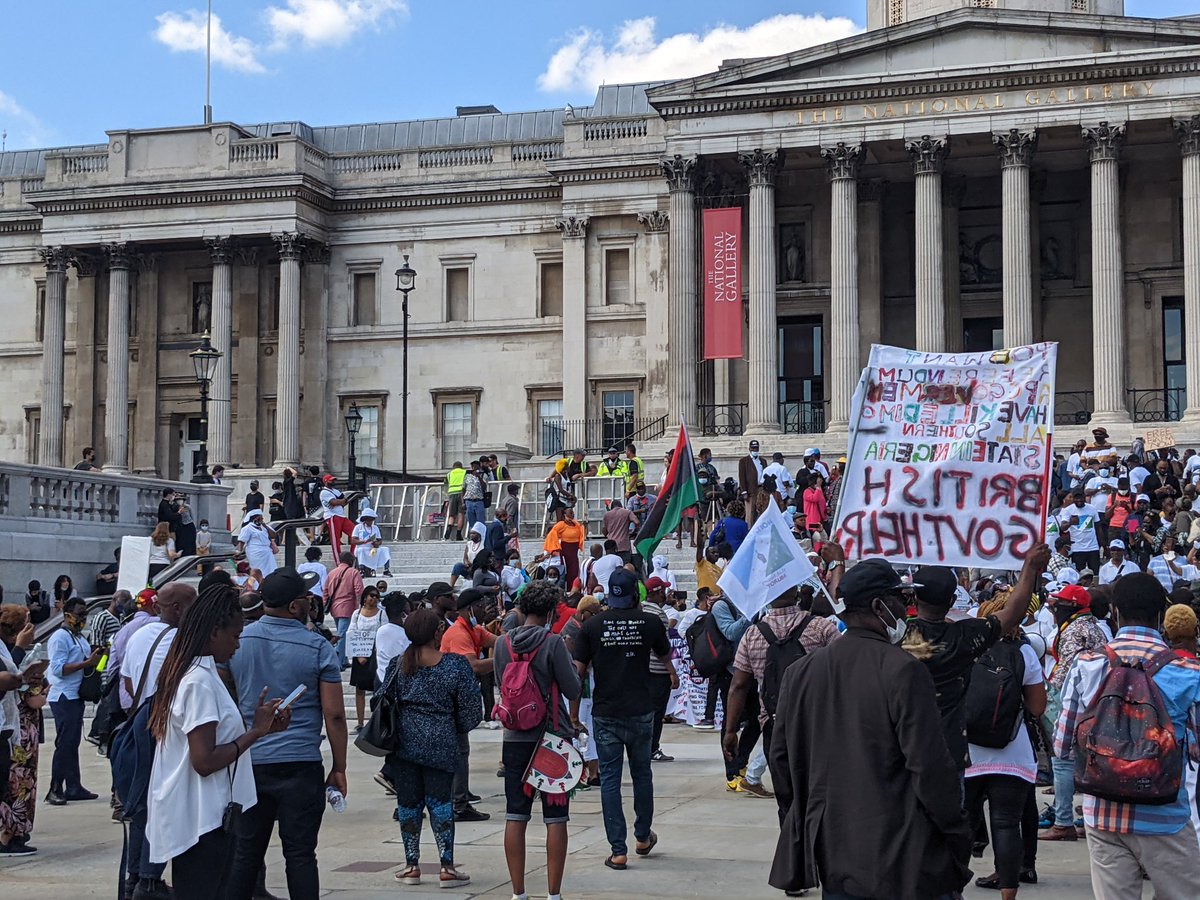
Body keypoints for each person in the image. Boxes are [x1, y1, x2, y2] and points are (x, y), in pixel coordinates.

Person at [768, 558, 972, 898]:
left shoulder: (800, 672)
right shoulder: (903, 670)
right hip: (903, 854)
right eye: (901, 600)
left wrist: (804, 819)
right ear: (879, 606)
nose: (906, 610)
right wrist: (955, 829)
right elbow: (929, 766)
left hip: (834, 850)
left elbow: (781, 760)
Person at [1053, 573, 1200, 896]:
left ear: (1115, 612)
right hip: (1165, 816)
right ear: (1160, 616)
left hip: (1102, 813)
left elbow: (1062, 746)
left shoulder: (1087, 664)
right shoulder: (1188, 672)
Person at [146, 585, 291, 900]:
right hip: (202, 821)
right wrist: (255, 732)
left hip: (207, 815)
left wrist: (261, 728)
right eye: (235, 636)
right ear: (214, 633)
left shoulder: (200, 674)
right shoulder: (198, 681)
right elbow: (204, 761)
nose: (238, 644)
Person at [226, 566, 347, 900]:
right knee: (300, 853)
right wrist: (339, 767)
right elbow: (335, 715)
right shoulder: (317, 646)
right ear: (294, 607)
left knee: (245, 853)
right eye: (307, 597)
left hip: (250, 759)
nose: (312, 601)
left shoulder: (238, 641)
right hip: (300, 762)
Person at [909, 547, 1049, 778]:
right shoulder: (965, 637)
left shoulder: (897, 636)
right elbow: (1013, 613)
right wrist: (1029, 567)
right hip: (949, 753)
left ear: (914, 598)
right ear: (953, 600)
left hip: (907, 749)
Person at [572, 568, 673, 870]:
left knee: (610, 781)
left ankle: (618, 850)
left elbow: (577, 673)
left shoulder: (591, 627)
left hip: (606, 713)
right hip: (641, 709)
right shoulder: (650, 622)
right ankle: (642, 836)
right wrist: (672, 674)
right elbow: (665, 656)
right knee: (642, 774)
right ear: (636, 594)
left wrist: (573, 714)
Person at [492, 581, 581, 900]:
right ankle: (553, 894)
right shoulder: (553, 642)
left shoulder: (502, 644)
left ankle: (518, 892)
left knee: (515, 814)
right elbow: (573, 689)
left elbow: (502, 684)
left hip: (514, 738)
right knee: (556, 818)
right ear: (551, 613)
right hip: (552, 737)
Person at [383, 608, 479, 889]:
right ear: (437, 632)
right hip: (442, 742)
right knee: (441, 804)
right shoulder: (455, 665)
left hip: (404, 744)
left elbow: (382, 700)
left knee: (408, 804)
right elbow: (471, 711)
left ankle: (411, 865)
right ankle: (447, 866)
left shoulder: (398, 664)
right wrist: (454, 726)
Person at [724, 582, 841, 808]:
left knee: (787, 800)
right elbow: (844, 668)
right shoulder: (821, 627)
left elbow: (738, 686)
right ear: (796, 593)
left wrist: (730, 731)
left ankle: (790, 829)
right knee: (820, 798)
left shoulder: (752, 634)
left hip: (774, 724)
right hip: (817, 722)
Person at [964, 593, 1048, 896]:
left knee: (962, 826)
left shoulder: (965, 648)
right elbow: (1037, 707)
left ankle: (953, 889)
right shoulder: (1024, 652)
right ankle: (1008, 893)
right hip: (1013, 754)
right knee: (1006, 825)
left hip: (968, 754)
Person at [1039, 582, 1110, 842]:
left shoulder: (1074, 631)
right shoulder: (1094, 627)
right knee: (1088, 762)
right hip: (1097, 703)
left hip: (1073, 701)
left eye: (1058, 603)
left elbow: (1065, 674)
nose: (1054, 607)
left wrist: (1047, 696)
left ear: (1071, 605)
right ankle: (1087, 818)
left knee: (1062, 760)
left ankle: (1063, 821)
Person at [439, 588, 496, 822]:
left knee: (460, 750)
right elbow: (473, 666)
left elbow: (498, 641)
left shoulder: (474, 629)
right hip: (449, 699)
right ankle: (459, 804)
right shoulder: (459, 633)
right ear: (469, 609)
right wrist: (503, 659)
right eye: (481, 606)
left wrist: (517, 640)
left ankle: (458, 795)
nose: (485, 611)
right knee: (460, 751)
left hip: (458, 698)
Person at [44, 597, 103, 807]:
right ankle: (55, 788)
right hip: (63, 696)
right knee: (65, 743)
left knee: (72, 742)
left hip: (75, 695)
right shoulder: (60, 638)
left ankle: (73, 785)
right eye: (79, 614)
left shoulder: (78, 637)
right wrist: (86, 663)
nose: (82, 618)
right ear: (67, 614)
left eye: (85, 614)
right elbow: (58, 669)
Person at [0, 605, 46, 857]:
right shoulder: (8, 651)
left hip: (15, 728)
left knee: (18, 782)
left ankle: (15, 831)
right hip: (14, 726)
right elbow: (9, 677)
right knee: (15, 783)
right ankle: (8, 834)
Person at [640, 578, 678, 762]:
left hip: (642, 669)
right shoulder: (658, 615)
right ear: (657, 592)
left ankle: (643, 747)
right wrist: (672, 671)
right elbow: (661, 647)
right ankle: (653, 748)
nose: (666, 594)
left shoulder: (640, 609)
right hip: (658, 670)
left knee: (645, 712)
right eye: (663, 590)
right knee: (657, 712)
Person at [346, 586, 383, 732]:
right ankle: (360, 722)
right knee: (359, 689)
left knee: (376, 688)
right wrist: (358, 654)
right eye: (371, 596)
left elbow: (383, 632)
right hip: (359, 651)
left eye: (376, 596)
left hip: (375, 653)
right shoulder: (356, 614)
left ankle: (375, 721)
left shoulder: (381, 613)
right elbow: (351, 632)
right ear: (365, 597)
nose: (374, 599)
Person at [323, 551, 364, 671]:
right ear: (351, 561)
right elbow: (359, 590)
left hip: (334, 607)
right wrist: (360, 606)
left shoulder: (332, 573)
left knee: (341, 633)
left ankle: (344, 660)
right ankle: (338, 662)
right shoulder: (353, 572)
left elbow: (325, 591)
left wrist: (325, 605)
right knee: (342, 636)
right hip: (347, 607)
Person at [374, 592, 411, 686]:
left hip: (381, 678)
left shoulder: (381, 630)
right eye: (409, 612)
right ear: (403, 615)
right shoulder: (405, 634)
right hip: (397, 683)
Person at [545, 508, 586, 588]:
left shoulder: (576, 524)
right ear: (565, 514)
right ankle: (564, 588)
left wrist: (584, 527)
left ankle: (573, 588)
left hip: (574, 550)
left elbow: (582, 534)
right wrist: (556, 546)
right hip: (566, 549)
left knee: (574, 571)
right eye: (570, 513)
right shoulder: (561, 524)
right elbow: (552, 534)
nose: (572, 514)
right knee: (565, 570)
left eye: (573, 513)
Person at [236, 509, 277, 580]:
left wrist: (265, 526)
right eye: (259, 518)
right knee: (258, 571)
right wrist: (239, 551)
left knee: (271, 571)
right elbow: (242, 541)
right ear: (254, 518)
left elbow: (273, 535)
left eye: (262, 518)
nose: (261, 520)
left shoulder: (264, 527)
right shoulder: (247, 528)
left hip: (267, 553)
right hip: (255, 553)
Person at [319, 474, 354, 557]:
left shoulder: (336, 491)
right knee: (336, 540)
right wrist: (341, 501)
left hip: (341, 516)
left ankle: (353, 555)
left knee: (355, 533)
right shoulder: (324, 492)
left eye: (333, 480)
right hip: (332, 516)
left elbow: (344, 501)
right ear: (326, 482)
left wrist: (341, 501)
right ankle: (338, 560)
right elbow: (333, 502)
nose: (333, 482)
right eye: (331, 480)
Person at [737, 440, 764, 523]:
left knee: (761, 511)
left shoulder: (762, 461)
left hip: (761, 488)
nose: (755, 450)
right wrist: (744, 492)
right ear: (749, 449)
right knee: (750, 513)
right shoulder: (744, 461)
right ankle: (749, 528)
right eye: (753, 448)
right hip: (750, 490)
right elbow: (742, 477)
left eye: (756, 448)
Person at [444, 461, 467, 541]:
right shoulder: (464, 472)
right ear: (461, 466)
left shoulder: (449, 474)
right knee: (461, 514)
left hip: (451, 493)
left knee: (452, 514)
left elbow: (445, 483)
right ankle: (458, 534)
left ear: (453, 467)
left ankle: (449, 527)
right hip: (461, 493)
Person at [463, 460, 487, 531]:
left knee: (480, 521)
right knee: (471, 521)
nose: (474, 468)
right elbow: (463, 489)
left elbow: (484, 487)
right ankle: (473, 534)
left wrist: (479, 477)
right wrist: (463, 502)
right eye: (473, 467)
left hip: (479, 500)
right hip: (469, 501)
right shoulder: (467, 476)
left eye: (476, 467)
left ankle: (481, 534)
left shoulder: (483, 475)